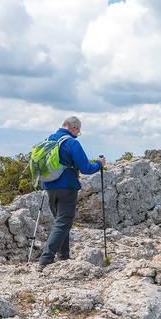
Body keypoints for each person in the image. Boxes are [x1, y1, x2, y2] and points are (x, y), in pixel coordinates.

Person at [38, 116, 105, 272]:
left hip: (48, 185)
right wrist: (99, 164)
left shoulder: (48, 140)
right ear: (74, 128)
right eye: (78, 131)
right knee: (64, 222)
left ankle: (64, 255)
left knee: (60, 222)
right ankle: (46, 259)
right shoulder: (72, 142)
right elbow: (86, 168)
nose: (77, 134)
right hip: (67, 186)